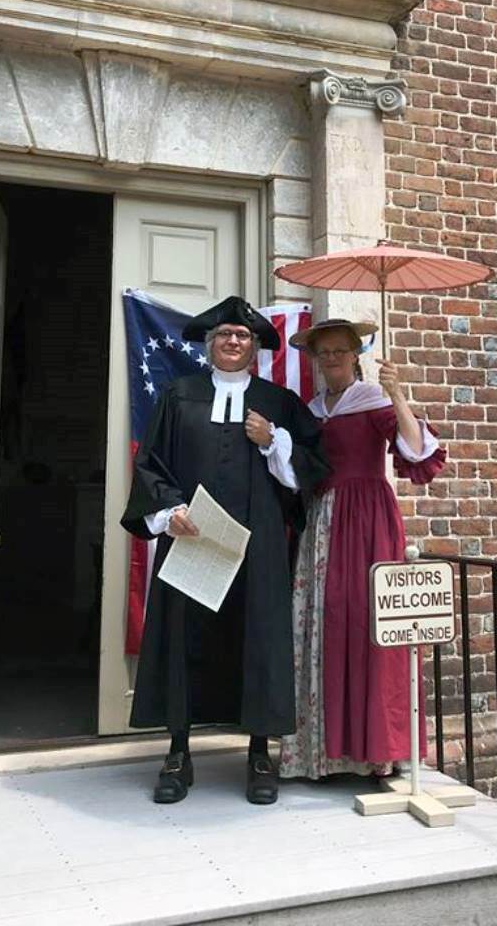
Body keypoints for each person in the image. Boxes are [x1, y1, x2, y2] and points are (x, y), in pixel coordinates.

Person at [121, 296, 329, 805]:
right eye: (223, 336)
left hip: (257, 551)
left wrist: (272, 439)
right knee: (182, 638)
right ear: (210, 344)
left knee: (256, 639)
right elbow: (151, 466)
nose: (232, 342)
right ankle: (177, 752)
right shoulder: (178, 395)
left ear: (255, 346)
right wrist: (170, 511)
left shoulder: (277, 402)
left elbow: (316, 466)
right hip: (193, 540)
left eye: (241, 336)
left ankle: (259, 752)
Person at [279, 318, 446, 781]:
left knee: (369, 622)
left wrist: (397, 393)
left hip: (368, 520)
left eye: (339, 350)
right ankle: (324, 750)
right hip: (320, 523)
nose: (330, 358)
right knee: (324, 620)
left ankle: (376, 750)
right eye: (322, 352)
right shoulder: (309, 410)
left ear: (356, 354)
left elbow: (415, 450)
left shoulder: (373, 401)